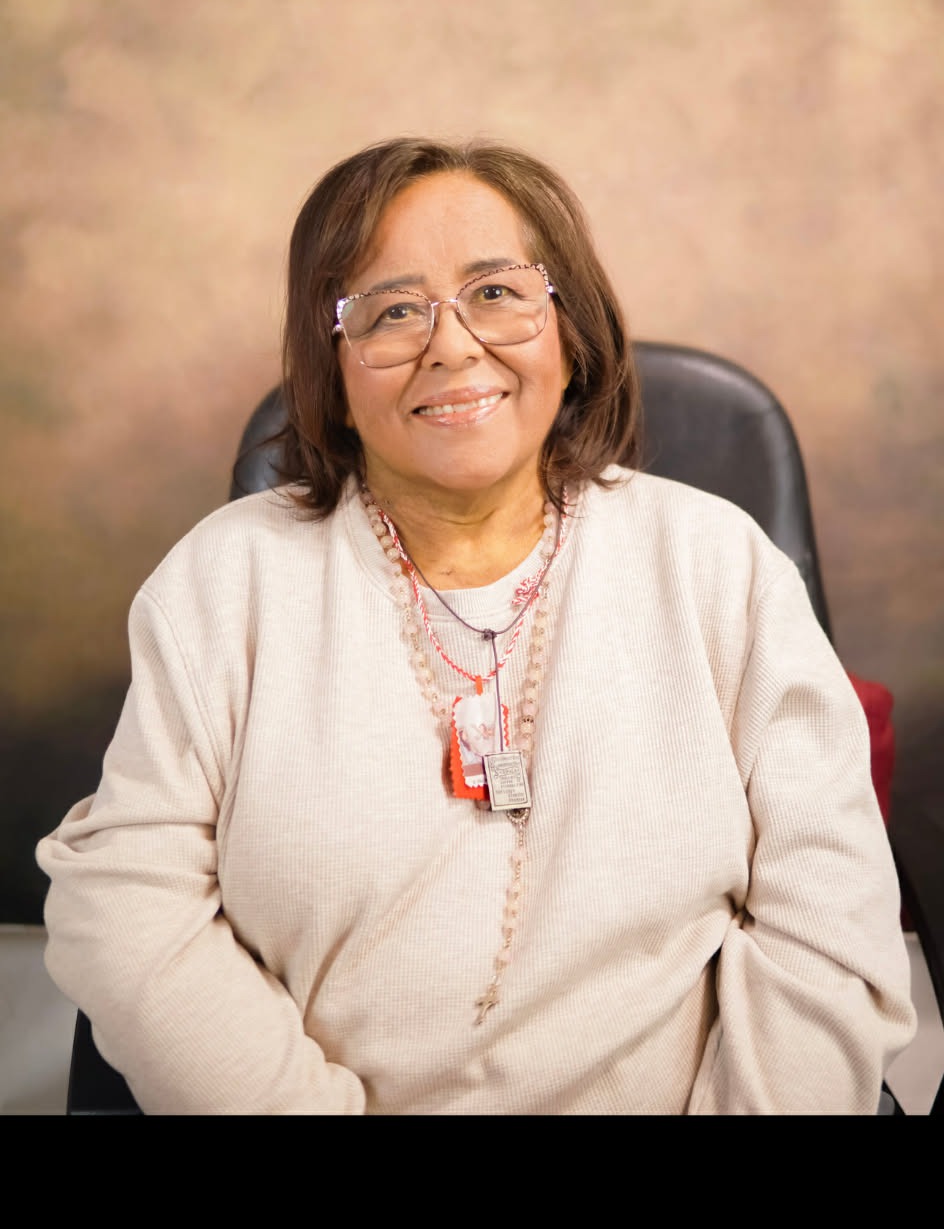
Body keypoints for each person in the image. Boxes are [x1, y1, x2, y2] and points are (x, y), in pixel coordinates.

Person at [36, 137, 916, 1114]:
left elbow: (827, 924)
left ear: (569, 332)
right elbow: (126, 903)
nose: (451, 347)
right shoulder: (226, 579)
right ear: (332, 367)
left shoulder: (718, 563)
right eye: (392, 310)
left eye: (496, 292)